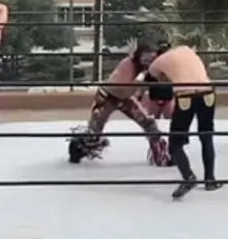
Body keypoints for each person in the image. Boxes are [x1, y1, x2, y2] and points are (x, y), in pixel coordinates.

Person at [68, 38, 171, 167]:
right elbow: (125, 86)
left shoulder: (146, 69)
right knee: (94, 133)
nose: (148, 62)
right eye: (145, 59)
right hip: (107, 96)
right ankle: (76, 151)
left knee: (148, 123)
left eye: (151, 59)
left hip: (125, 98)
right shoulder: (128, 64)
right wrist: (143, 77)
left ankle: (160, 153)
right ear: (138, 56)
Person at [136, 44, 221, 199]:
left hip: (186, 96)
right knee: (206, 137)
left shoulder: (157, 63)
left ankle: (188, 177)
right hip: (208, 92)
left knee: (174, 143)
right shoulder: (187, 49)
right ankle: (210, 180)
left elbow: (152, 81)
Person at [142, 40, 175, 119]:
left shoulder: (172, 63)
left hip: (167, 96)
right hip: (155, 96)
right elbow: (146, 79)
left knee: (169, 119)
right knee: (154, 120)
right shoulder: (152, 63)